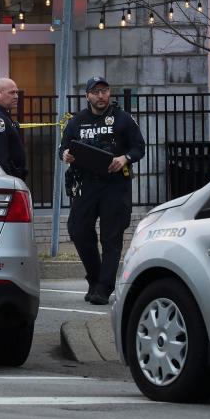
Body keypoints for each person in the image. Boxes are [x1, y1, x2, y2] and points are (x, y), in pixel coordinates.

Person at [59, 76, 145, 305]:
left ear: (109, 93)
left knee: (111, 237)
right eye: (95, 91)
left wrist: (124, 158)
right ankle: (95, 278)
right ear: (87, 95)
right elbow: (63, 147)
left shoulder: (123, 119)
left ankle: (104, 288)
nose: (101, 95)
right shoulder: (77, 121)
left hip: (115, 185)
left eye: (104, 91)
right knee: (77, 229)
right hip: (87, 184)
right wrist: (65, 154)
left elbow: (139, 148)